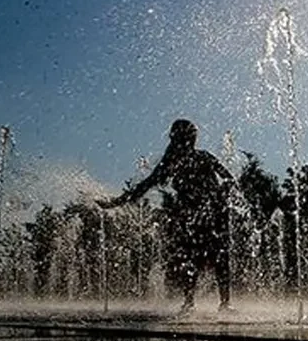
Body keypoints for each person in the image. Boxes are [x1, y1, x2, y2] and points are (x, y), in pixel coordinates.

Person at [98, 119, 234, 312]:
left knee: (210, 257)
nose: (193, 140)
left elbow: (229, 178)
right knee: (197, 257)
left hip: (211, 214)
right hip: (193, 216)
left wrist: (223, 192)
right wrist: (117, 202)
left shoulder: (201, 158)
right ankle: (198, 303)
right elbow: (145, 184)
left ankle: (213, 303)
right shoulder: (173, 163)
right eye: (191, 136)